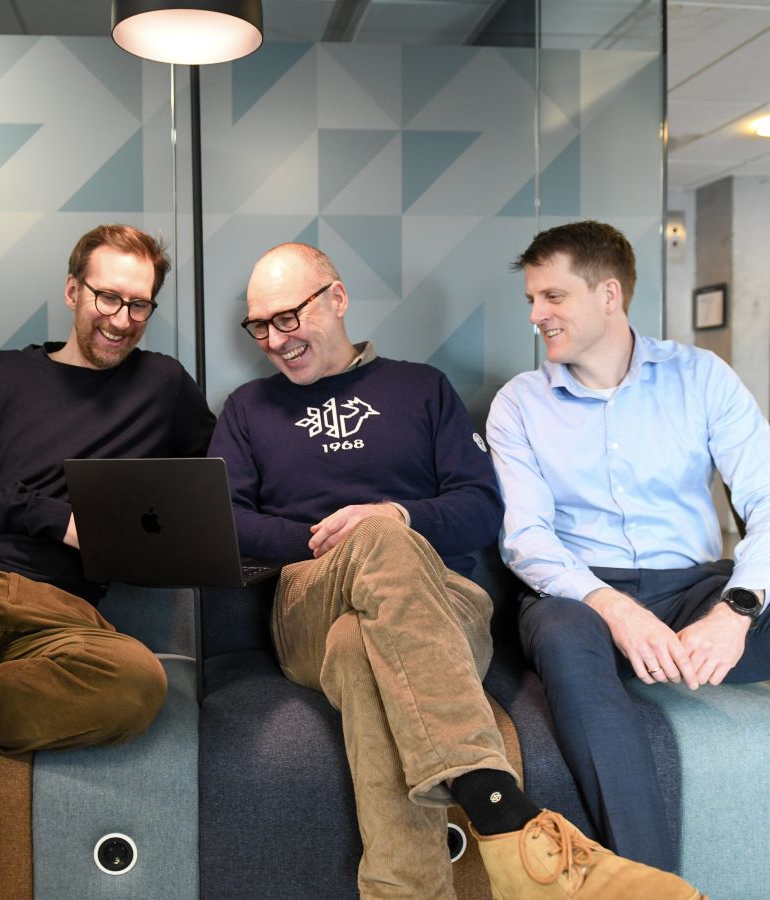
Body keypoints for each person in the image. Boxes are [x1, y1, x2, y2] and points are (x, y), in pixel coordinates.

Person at [208, 241, 704, 899]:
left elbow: (481, 508)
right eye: (260, 326)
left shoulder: (422, 389)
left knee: (361, 643)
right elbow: (224, 520)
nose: (275, 340)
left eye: (288, 318)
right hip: (307, 602)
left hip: (445, 605)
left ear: (337, 298)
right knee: (377, 541)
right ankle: (503, 813)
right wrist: (340, 537)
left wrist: (397, 516)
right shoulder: (248, 407)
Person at [0, 224, 216, 900]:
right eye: (107, 297)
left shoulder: (165, 386)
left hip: (61, 611)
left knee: (135, 683)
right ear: (72, 291)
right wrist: (54, 518)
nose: (121, 319)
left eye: (139, 304)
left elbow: (226, 479)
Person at [486, 218, 770, 873]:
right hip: (578, 599)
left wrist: (735, 611)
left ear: (609, 294)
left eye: (553, 296)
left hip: (697, 591)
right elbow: (526, 539)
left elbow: (765, 500)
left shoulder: (702, 377)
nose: (535, 315)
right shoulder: (519, 404)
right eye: (531, 299)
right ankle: (650, 882)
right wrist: (614, 608)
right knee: (562, 636)